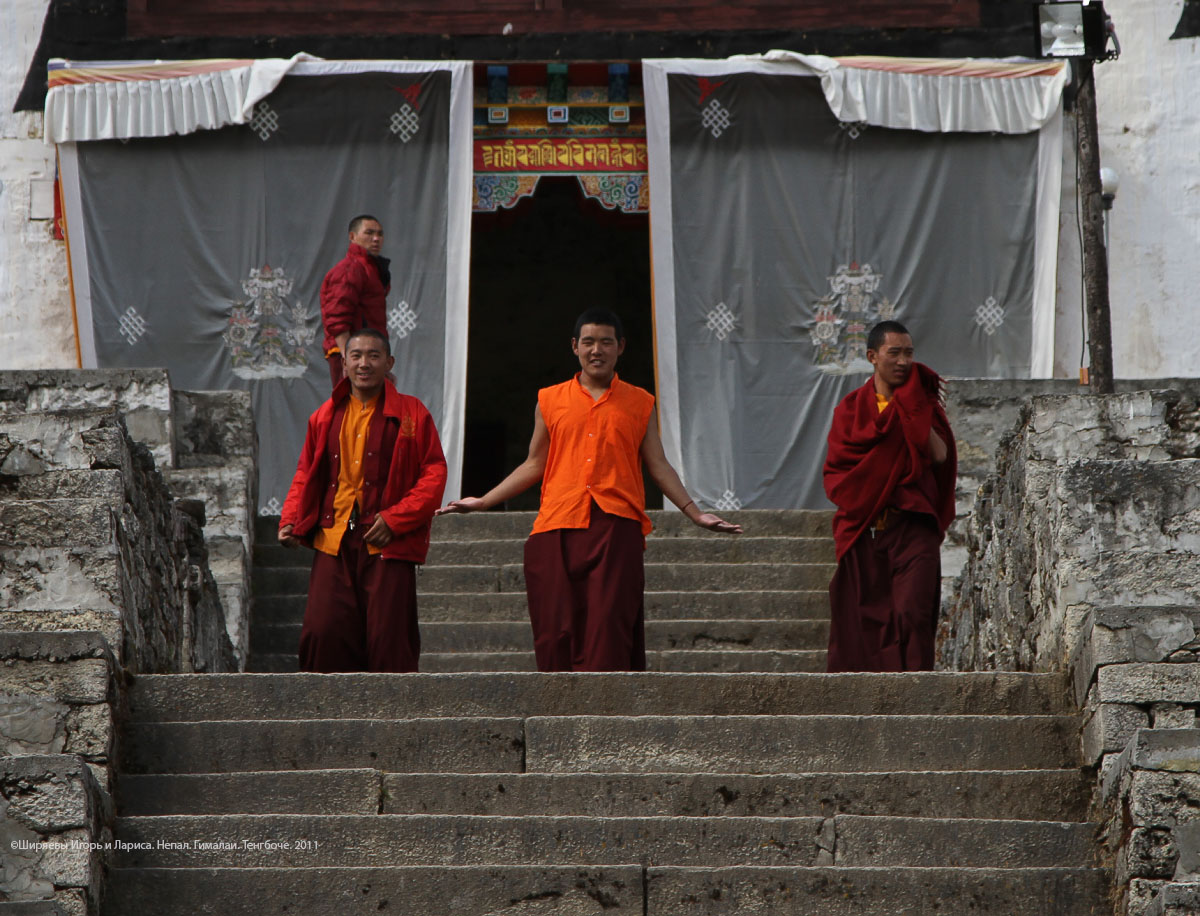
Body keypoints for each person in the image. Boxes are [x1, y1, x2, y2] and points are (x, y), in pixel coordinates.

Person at [437, 308, 742, 672]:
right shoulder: (550, 400)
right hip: (557, 523)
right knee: (554, 629)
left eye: (605, 342)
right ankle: (559, 715)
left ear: (620, 347)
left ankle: (605, 720)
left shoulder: (639, 402)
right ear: (575, 347)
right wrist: (484, 501)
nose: (596, 350)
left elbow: (657, 464)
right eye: (588, 342)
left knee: (609, 628)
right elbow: (535, 463)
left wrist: (694, 512)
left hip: (617, 523)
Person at [279, 327, 446, 672]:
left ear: (389, 363)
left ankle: (393, 719)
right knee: (323, 631)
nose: (364, 363)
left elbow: (434, 473)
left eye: (374, 356)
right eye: (356, 356)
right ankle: (326, 714)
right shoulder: (325, 415)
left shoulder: (412, 413)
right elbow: (306, 471)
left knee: (389, 635)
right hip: (334, 536)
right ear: (343, 363)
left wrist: (396, 519)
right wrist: (291, 518)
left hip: (385, 539)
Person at [822, 320, 957, 672]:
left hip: (913, 526)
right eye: (894, 353)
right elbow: (839, 473)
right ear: (872, 356)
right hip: (867, 529)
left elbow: (940, 455)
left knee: (912, 611)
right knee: (864, 621)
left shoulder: (920, 402)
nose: (903, 361)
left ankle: (915, 693)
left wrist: (913, 410)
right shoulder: (851, 411)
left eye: (909, 353)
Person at [320, 215, 390, 387]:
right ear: (352, 237)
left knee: (371, 408)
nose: (376, 238)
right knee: (351, 408)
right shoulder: (349, 269)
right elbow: (337, 319)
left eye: (380, 234)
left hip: (367, 352)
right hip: (354, 354)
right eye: (369, 233)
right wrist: (348, 357)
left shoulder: (370, 269)